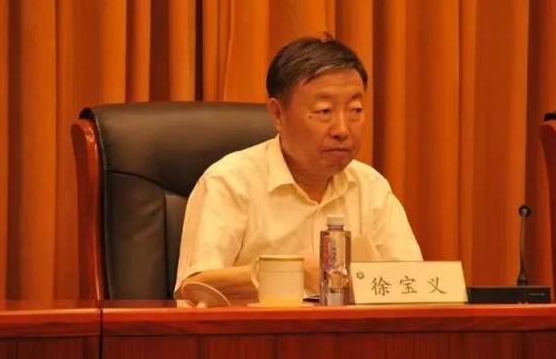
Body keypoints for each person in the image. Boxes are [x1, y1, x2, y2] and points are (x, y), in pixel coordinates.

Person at [175, 35, 422, 301]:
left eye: (355, 109)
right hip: (258, 328)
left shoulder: (371, 187)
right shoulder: (230, 182)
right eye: (324, 111)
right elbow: (194, 287)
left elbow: (412, 285)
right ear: (278, 114)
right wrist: (292, 271)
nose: (342, 129)